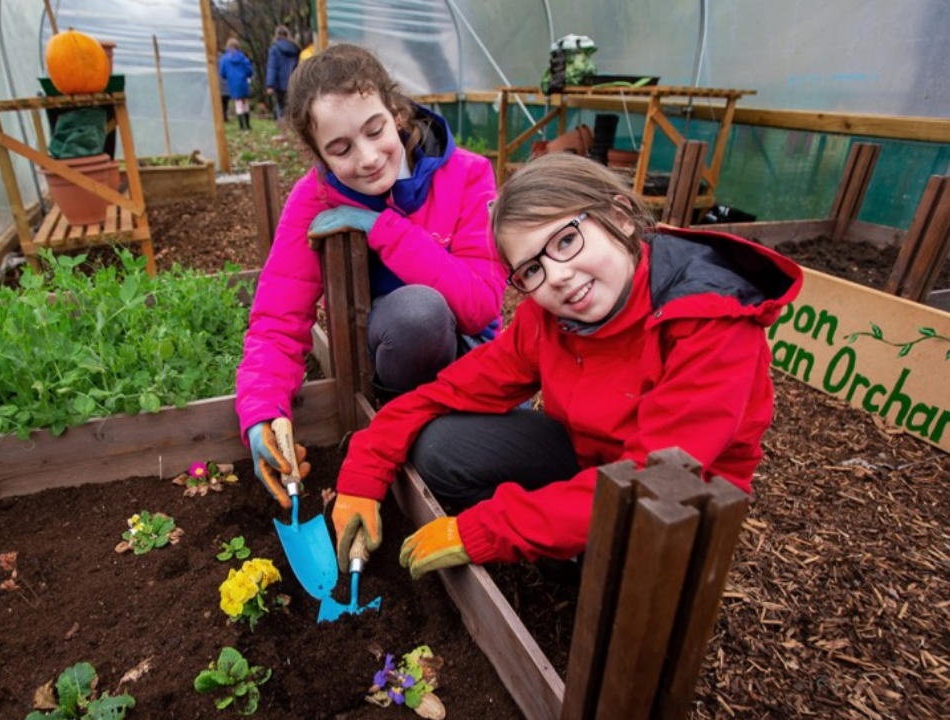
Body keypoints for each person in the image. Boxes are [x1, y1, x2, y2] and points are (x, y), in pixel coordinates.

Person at [329, 152, 804, 579]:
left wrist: (485, 531)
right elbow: (449, 391)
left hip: (674, 507)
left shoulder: (710, 321)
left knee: (633, 577)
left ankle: (575, 555)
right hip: (590, 461)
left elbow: (653, 480)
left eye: (566, 240)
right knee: (440, 449)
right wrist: (363, 473)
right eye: (532, 269)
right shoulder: (550, 315)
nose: (557, 276)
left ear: (619, 216)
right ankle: (564, 547)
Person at [236, 43, 504, 509]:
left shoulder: (468, 175)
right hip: (386, 363)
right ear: (318, 154)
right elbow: (278, 318)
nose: (366, 158)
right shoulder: (313, 199)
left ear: (395, 111)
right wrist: (261, 412)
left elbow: (481, 305)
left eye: (375, 130)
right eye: (340, 149)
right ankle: (402, 419)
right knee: (415, 316)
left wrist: (384, 229)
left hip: (469, 354)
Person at [265, 25, 300, 122]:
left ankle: (283, 130)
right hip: (293, 80)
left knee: (281, 106)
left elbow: (272, 67)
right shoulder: (295, 48)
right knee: (293, 105)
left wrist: (270, 84)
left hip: (279, 83)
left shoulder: (274, 49)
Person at [219, 38, 253, 130]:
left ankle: (241, 125)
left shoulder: (225, 59)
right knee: (245, 101)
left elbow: (222, 72)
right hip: (243, 81)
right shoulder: (242, 57)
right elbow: (249, 70)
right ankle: (247, 124)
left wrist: (228, 76)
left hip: (232, 82)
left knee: (238, 103)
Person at [217, 51, 231, 121]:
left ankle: (222, 116)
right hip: (226, 84)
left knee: (221, 102)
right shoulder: (225, 58)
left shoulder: (215, 59)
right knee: (225, 102)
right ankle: (224, 116)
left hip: (219, 84)